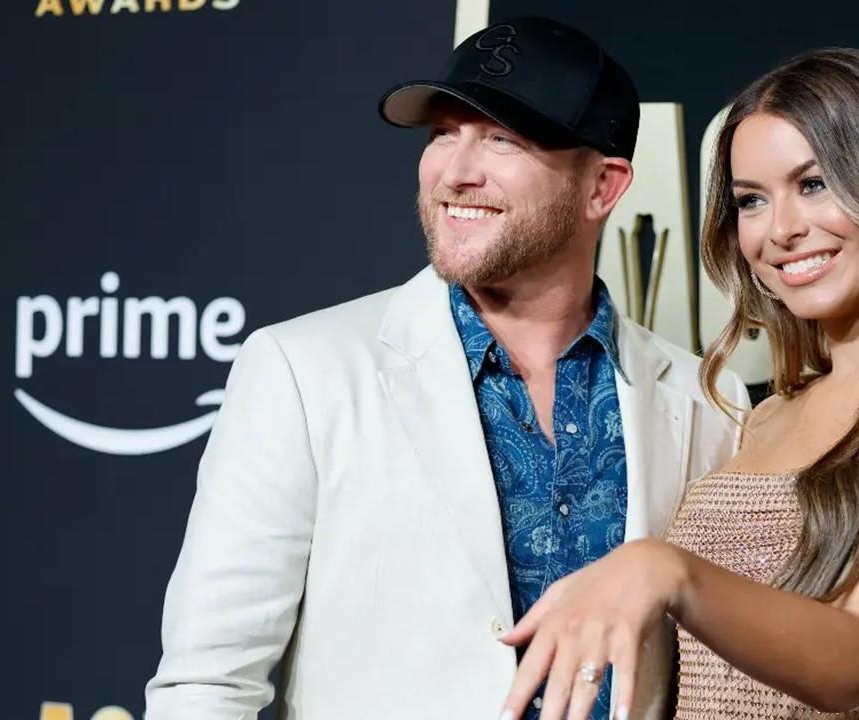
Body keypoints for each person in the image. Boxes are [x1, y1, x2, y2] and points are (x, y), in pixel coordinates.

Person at [144, 17, 747, 720]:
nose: (456, 171)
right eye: (443, 134)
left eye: (501, 138)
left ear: (603, 188)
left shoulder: (712, 403)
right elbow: (206, 686)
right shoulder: (304, 372)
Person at [496, 48, 859, 720]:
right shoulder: (759, 417)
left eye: (815, 183)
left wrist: (665, 570)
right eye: (752, 201)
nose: (782, 230)